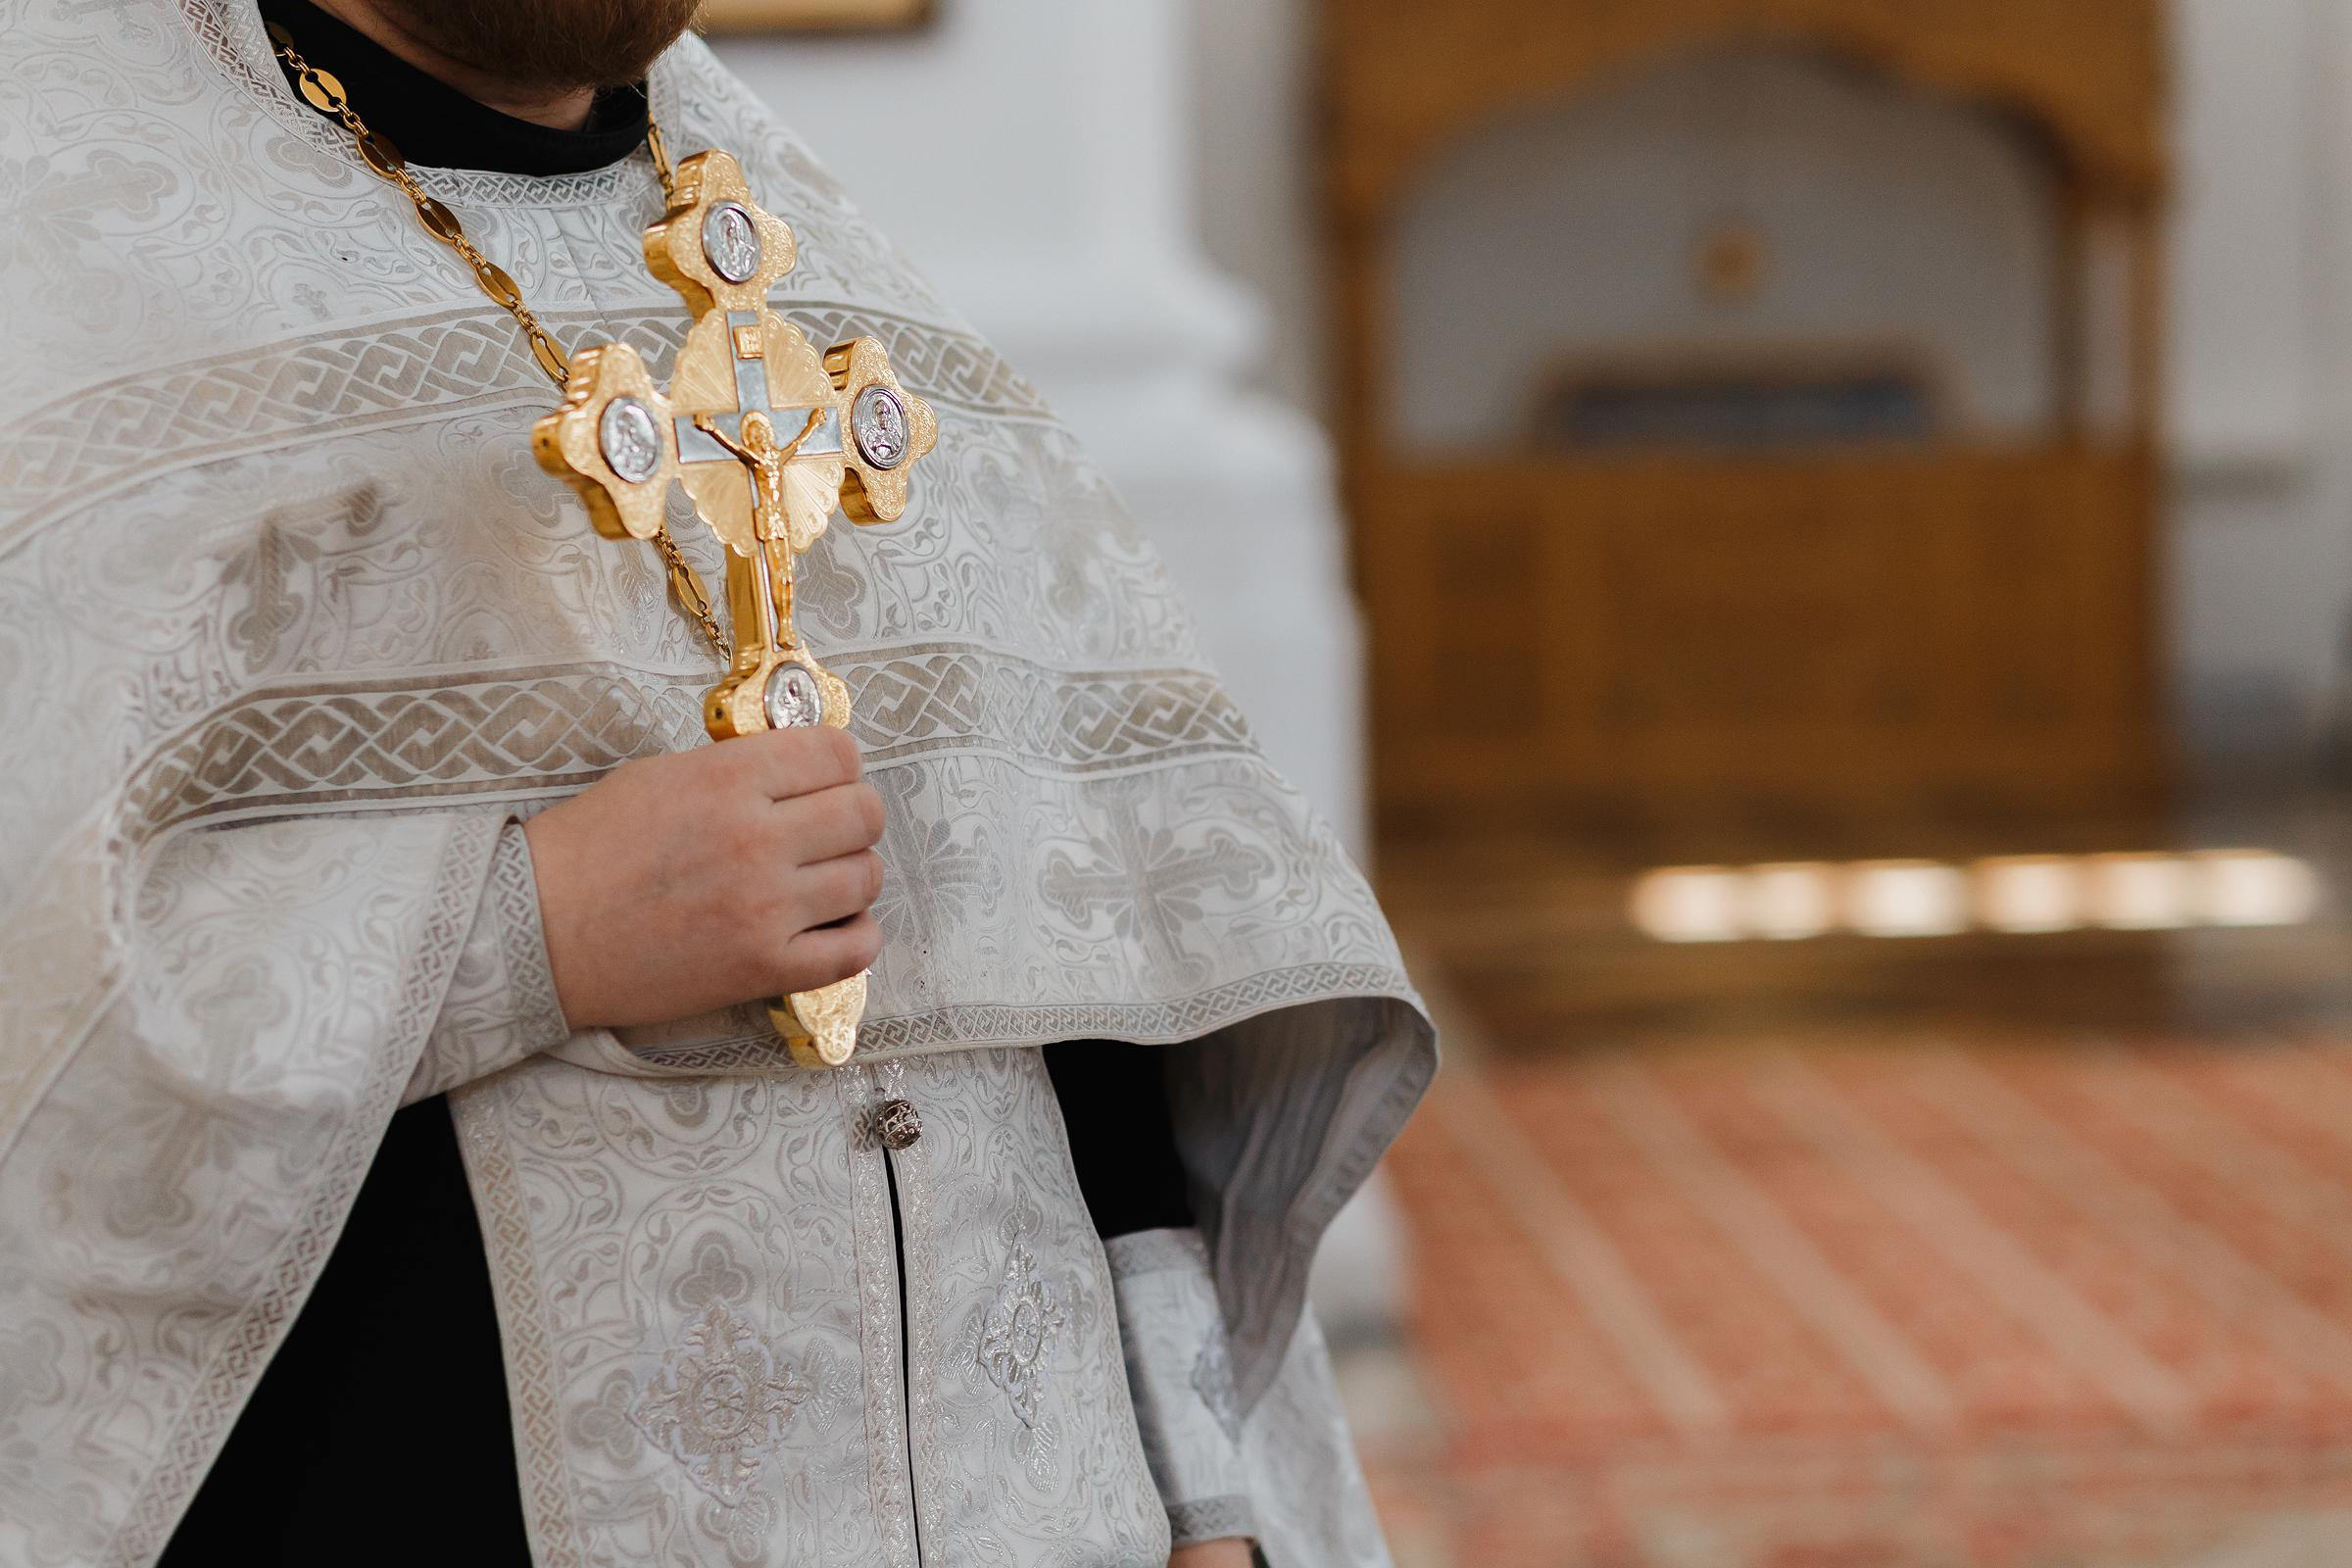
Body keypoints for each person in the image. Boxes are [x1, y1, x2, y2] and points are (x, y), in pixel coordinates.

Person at [0, 1, 1437, 1565]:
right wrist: (524, 929)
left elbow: (1085, 947)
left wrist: (1199, 1490)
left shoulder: (788, 244)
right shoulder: (62, 227)